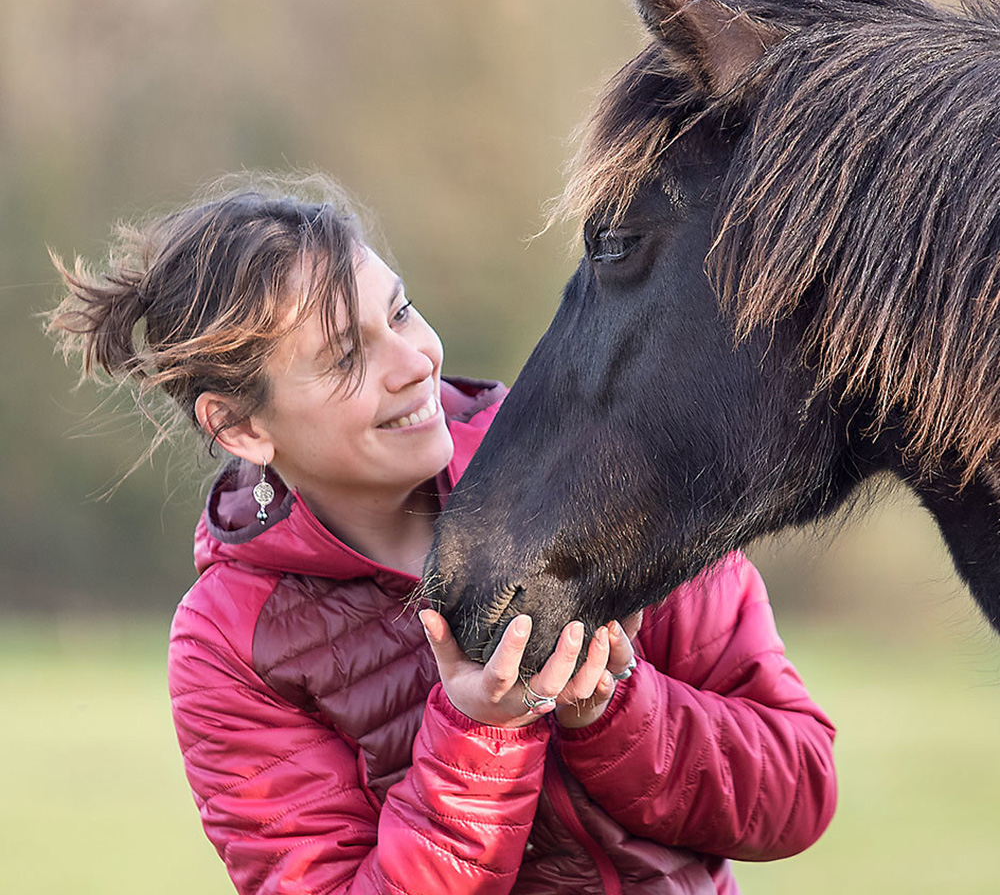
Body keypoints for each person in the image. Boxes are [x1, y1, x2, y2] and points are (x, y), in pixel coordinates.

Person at [48, 174, 837, 895]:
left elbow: (800, 792)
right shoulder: (228, 644)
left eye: (399, 311)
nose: (416, 361)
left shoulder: (599, 468)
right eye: (346, 356)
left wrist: (618, 709)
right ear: (241, 425)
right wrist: (481, 738)